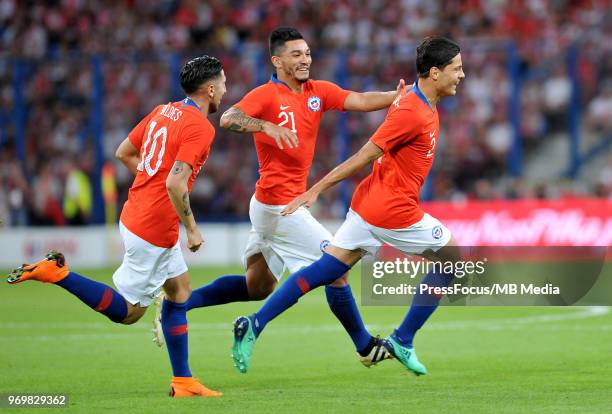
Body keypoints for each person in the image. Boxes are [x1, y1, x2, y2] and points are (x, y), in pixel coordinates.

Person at [161, 27, 406, 367]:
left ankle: (178, 306)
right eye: (296, 54)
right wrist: (266, 126)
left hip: (268, 206)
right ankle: (365, 346)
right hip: (279, 206)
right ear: (277, 60)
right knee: (337, 268)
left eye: (307, 53)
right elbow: (229, 118)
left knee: (257, 286)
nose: (305, 59)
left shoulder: (318, 91)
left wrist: (396, 98)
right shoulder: (265, 95)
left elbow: (359, 99)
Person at [231, 36, 465, 376]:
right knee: (453, 260)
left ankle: (254, 323)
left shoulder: (417, 103)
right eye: (456, 69)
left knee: (326, 271)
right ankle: (403, 338)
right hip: (393, 211)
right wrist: (317, 189)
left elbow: (359, 101)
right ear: (434, 73)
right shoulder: (412, 112)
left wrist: (389, 96)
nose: (461, 75)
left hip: (368, 203)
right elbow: (364, 155)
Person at [6, 56, 227, 397]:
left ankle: (183, 381)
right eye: (224, 83)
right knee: (128, 313)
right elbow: (175, 184)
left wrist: (152, 176)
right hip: (154, 226)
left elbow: (124, 152)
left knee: (180, 291)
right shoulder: (200, 127)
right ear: (210, 88)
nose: (226, 90)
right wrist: (193, 229)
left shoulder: (162, 111)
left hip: (135, 212)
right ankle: (58, 273)